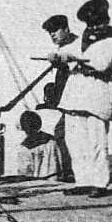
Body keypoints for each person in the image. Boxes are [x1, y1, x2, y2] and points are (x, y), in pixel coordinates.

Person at [50, 0, 112, 196]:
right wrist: (57, 56)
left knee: (96, 142)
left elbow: (103, 64)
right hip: (76, 98)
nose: (93, 27)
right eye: (90, 23)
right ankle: (83, 180)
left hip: (96, 99)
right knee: (75, 142)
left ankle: (99, 183)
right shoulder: (84, 40)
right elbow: (68, 51)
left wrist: (74, 59)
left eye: (95, 22)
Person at [40, 14, 78, 181]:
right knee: (63, 135)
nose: (52, 35)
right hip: (68, 104)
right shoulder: (63, 48)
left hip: (78, 103)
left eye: (55, 30)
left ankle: (73, 174)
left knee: (71, 137)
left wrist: (61, 61)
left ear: (67, 29)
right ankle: (70, 173)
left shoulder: (76, 46)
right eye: (50, 32)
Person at [14, 110, 60, 179]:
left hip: (37, 186)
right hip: (58, 183)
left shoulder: (25, 148)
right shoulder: (53, 141)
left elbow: (24, 173)